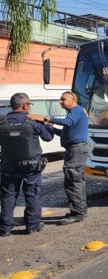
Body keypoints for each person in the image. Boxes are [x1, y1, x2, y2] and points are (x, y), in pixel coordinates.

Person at [29, 91, 89, 225]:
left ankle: (77, 213)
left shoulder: (76, 110)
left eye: (63, 99)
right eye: (60, 99)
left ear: (73, 99)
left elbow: (68, 122)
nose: (60, 101)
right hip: (76, 149)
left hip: (76, 149)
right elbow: (65, 131)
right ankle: (80, 210)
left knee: (72, 181)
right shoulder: (76, 112)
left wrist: (46, 119)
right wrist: (51, 128)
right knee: (77, 181)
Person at [0, 93, 54, 237]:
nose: (30, 107)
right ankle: (32, 225)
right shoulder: (33, 121)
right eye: (29, 104)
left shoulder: (2, 121)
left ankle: (5, 228)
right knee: (32, 195)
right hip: (31, 167)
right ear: (24, 105)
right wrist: (47, 125)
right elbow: (48, 137)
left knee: (8, 196)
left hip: (8, 166)